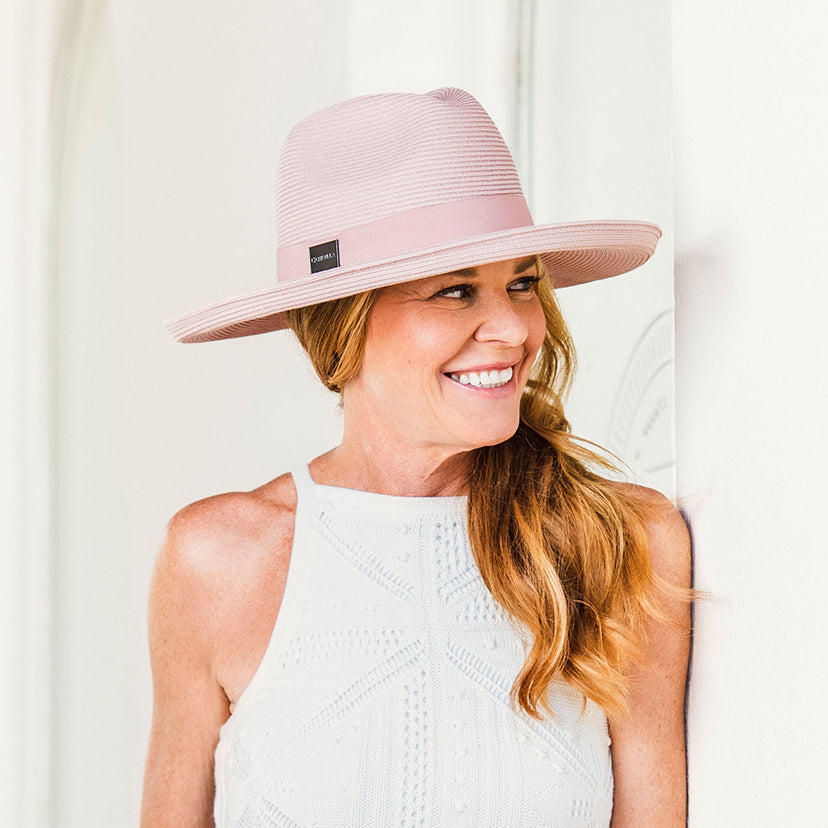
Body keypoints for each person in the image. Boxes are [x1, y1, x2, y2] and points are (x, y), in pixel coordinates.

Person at [141, 87, 692, 827]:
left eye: (522, 283)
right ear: (343, 328)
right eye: (456, 291)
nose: (512, 329)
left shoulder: (621, 542)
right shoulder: (217, 560)